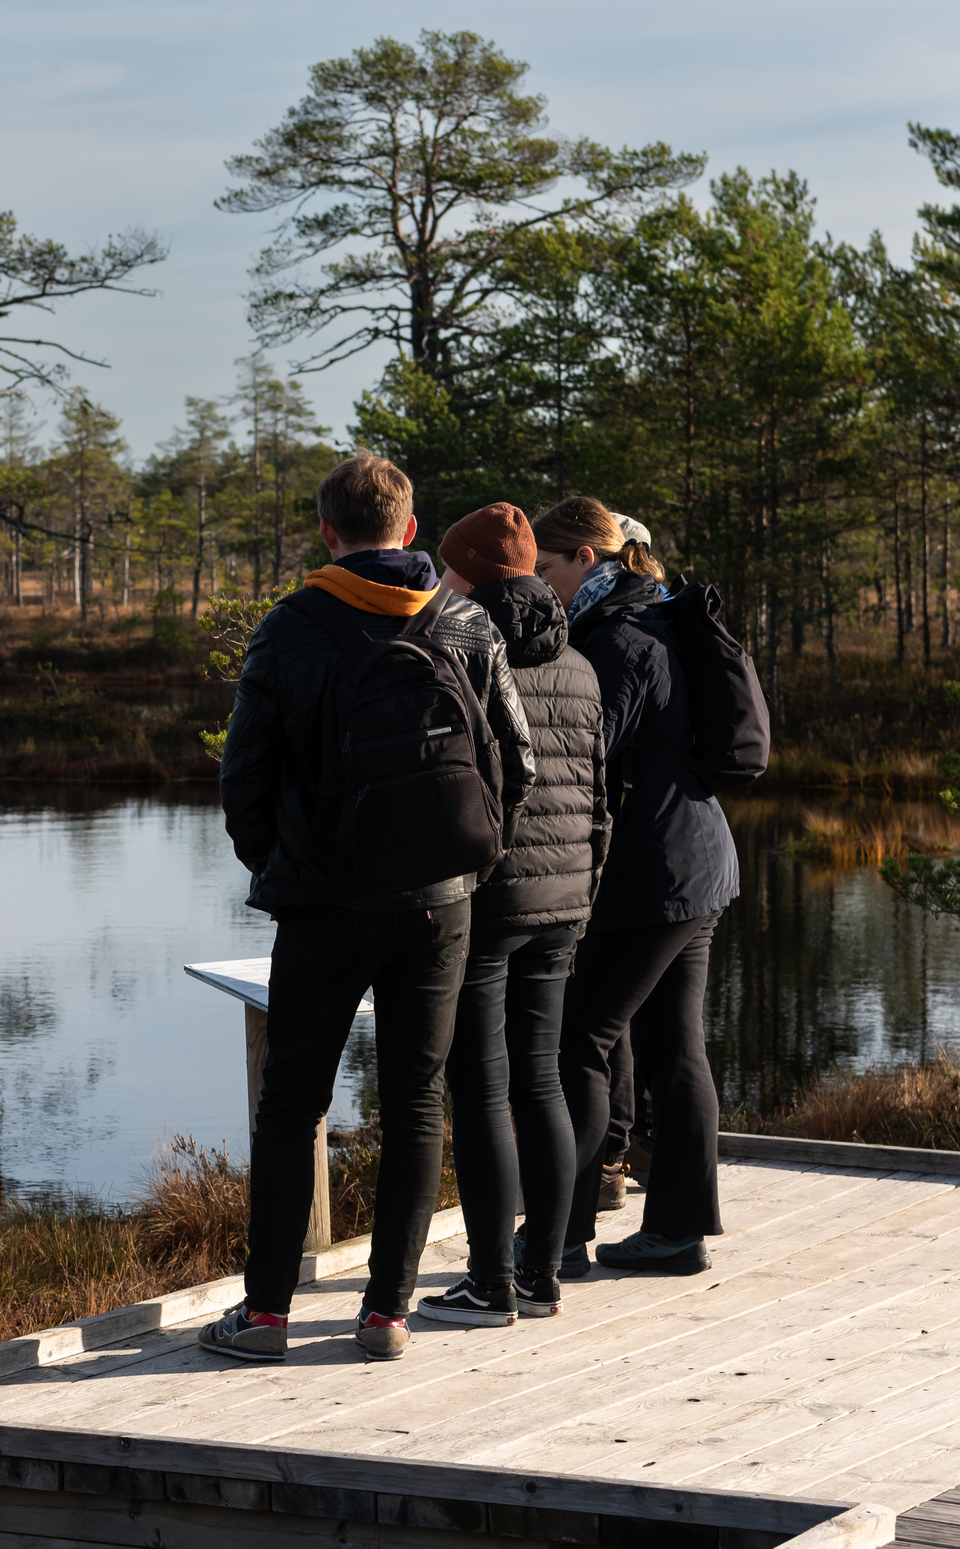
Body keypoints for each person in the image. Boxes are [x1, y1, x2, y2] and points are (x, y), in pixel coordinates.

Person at [203, 453, 535, 1364]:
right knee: (417, 1103)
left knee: (292, 1103)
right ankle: (386, 1315)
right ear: (411, 528)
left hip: (322, 902)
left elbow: (243, 781)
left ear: (327, 533)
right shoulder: (465, 621)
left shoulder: (288, 629)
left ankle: (265, 1316)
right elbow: (519, 762)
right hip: (441, 907)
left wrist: (285, 867)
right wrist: (470, 863)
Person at [528, 495, 737, 1278]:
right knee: (674, 1048)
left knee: (577, 1042)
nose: (540, 583)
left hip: (651, 872)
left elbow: (589, 757)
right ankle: (676, 1232)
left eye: (547, 566)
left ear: (585, 558)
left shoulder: (617, 638)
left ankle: (558, 1238)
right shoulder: (652, 615)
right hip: (696, 860)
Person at [412, 503, 607, 1330]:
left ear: (470, 576)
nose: (439, 579)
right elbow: (600, 793)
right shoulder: (581, 663)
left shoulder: (458, 651)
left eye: (448, 568)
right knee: (542, 1080)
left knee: (481, 1088)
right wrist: (586, 887)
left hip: (487, 899)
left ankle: (490, 1285)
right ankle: (542, 1275)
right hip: (564, 900)